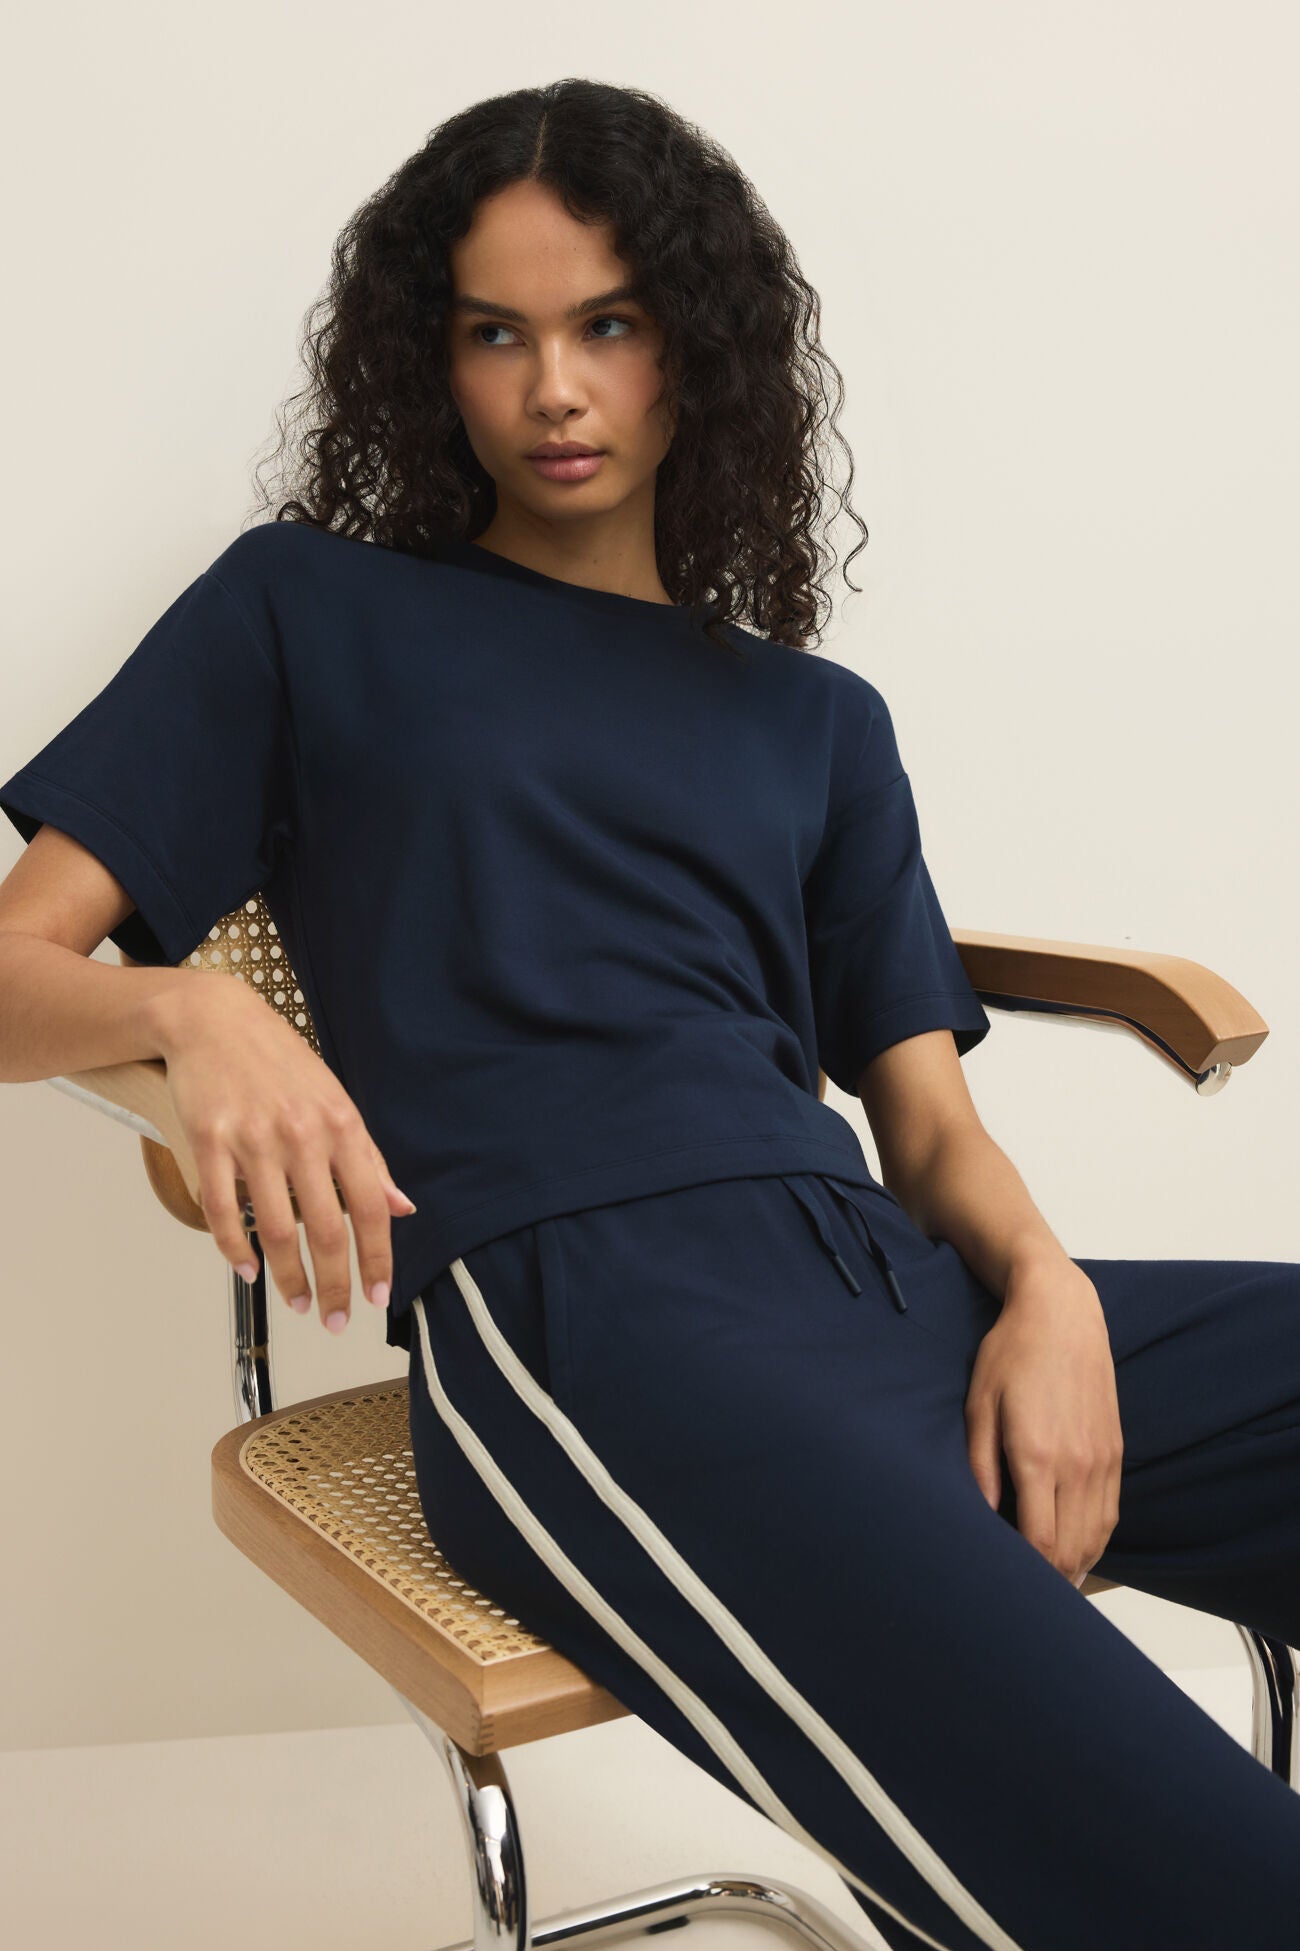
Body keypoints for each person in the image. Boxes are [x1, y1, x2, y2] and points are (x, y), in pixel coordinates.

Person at [1, 77, 1299, 1951]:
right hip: (593, 1316)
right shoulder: (310, 612)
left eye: (608, 324)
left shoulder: (816, 721)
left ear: (700, 346)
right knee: (1190, 1853)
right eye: (497, 334)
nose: (556, 389)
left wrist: (1051, 1291)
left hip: (881, 1281)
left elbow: (927, 1124)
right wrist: (198, 1019)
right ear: (431, 362)